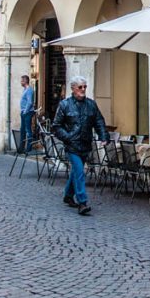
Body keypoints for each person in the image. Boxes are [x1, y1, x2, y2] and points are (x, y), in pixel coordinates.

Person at [51, 76, 108, 216]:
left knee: (77, 171)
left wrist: (103, 136)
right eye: (80, 87)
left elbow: (99, 121)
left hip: (85, 143)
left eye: (85, 87)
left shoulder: (91, 104)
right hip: (72, 145)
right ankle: (82, 202)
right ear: (73, 89)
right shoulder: (64, 105)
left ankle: (68, 195)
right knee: (79, 172)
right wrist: (68, 137)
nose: (83, 90)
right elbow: (56, 126)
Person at [19, 74, 35, 153]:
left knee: (28, 130)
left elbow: (30, 102)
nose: (21, 82)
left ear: (25, 81)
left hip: (27, 112)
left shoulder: (29, 90)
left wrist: (25, 111)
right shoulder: (25, 89)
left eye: (22, 81)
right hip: (24, 112)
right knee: (22, 130)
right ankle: (21, 148)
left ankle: (29, 148)